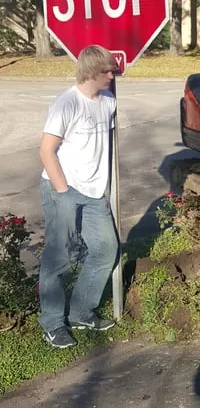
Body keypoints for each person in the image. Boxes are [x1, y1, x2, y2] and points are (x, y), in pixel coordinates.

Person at [38, 45, 119, 349]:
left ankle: (83, 312)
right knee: (59, 258)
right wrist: (63, 193)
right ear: (91, 72)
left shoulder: (108, 102)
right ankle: (52, 323)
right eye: (107, 71)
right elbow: (46, 151)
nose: (112, 75)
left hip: (95, 194)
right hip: (63, 189)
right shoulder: (66, 104)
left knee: (106, 250)